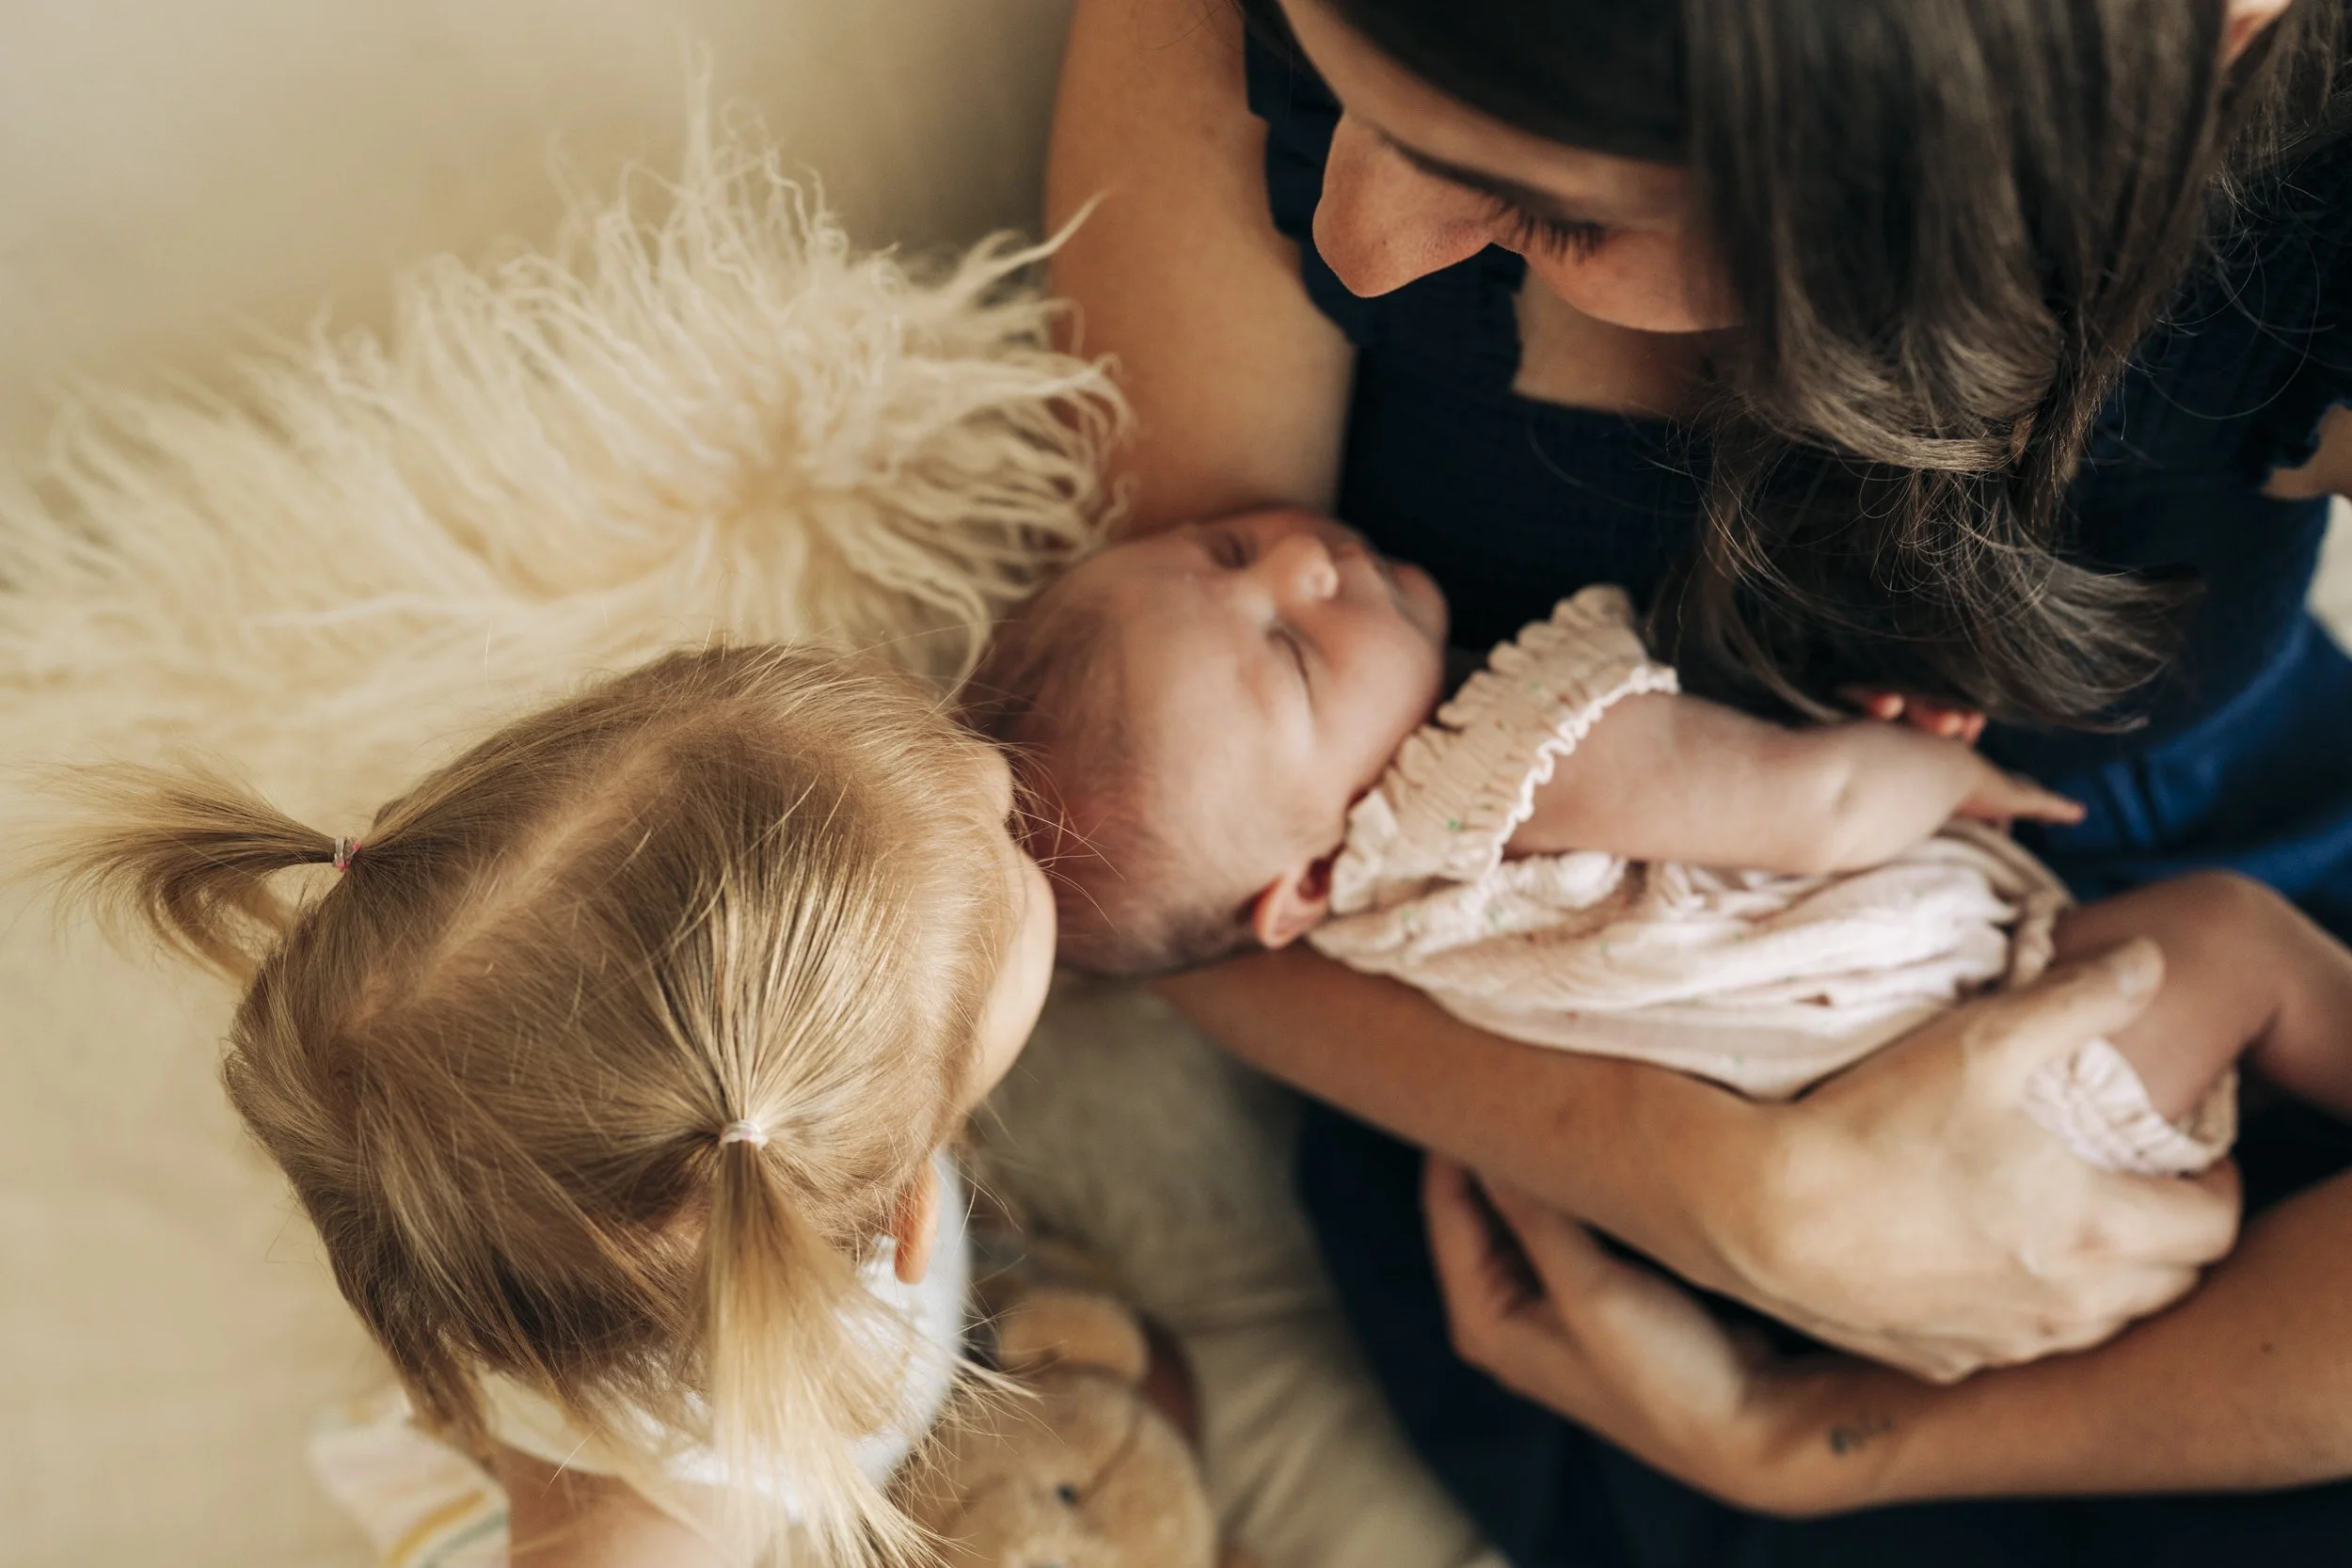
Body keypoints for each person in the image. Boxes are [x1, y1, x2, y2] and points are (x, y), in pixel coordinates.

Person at [1044, 0, 2352, 1558]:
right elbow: (1169, 866)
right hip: (1579, 1170)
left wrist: (1824, 1444)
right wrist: (1707, 1181)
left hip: (2235, 951)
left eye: (1555, 208)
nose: (1354, 241)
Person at [47, 645, 1058, 1568]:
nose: (998, 777)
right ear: (907, 1215)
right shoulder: (652, 1529)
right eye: (1007, 870)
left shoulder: (736, 1132)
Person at [977, 502, 2352, 1180]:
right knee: (2235, 942)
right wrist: (1947, 774)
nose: (1299, 560)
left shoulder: (1386, 932)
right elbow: (1818, 806)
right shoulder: (1503, 768)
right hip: (2003, 1047)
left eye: (1223, 549)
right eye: (1292, 654)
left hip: (1917, 1137)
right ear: (1308, 879)